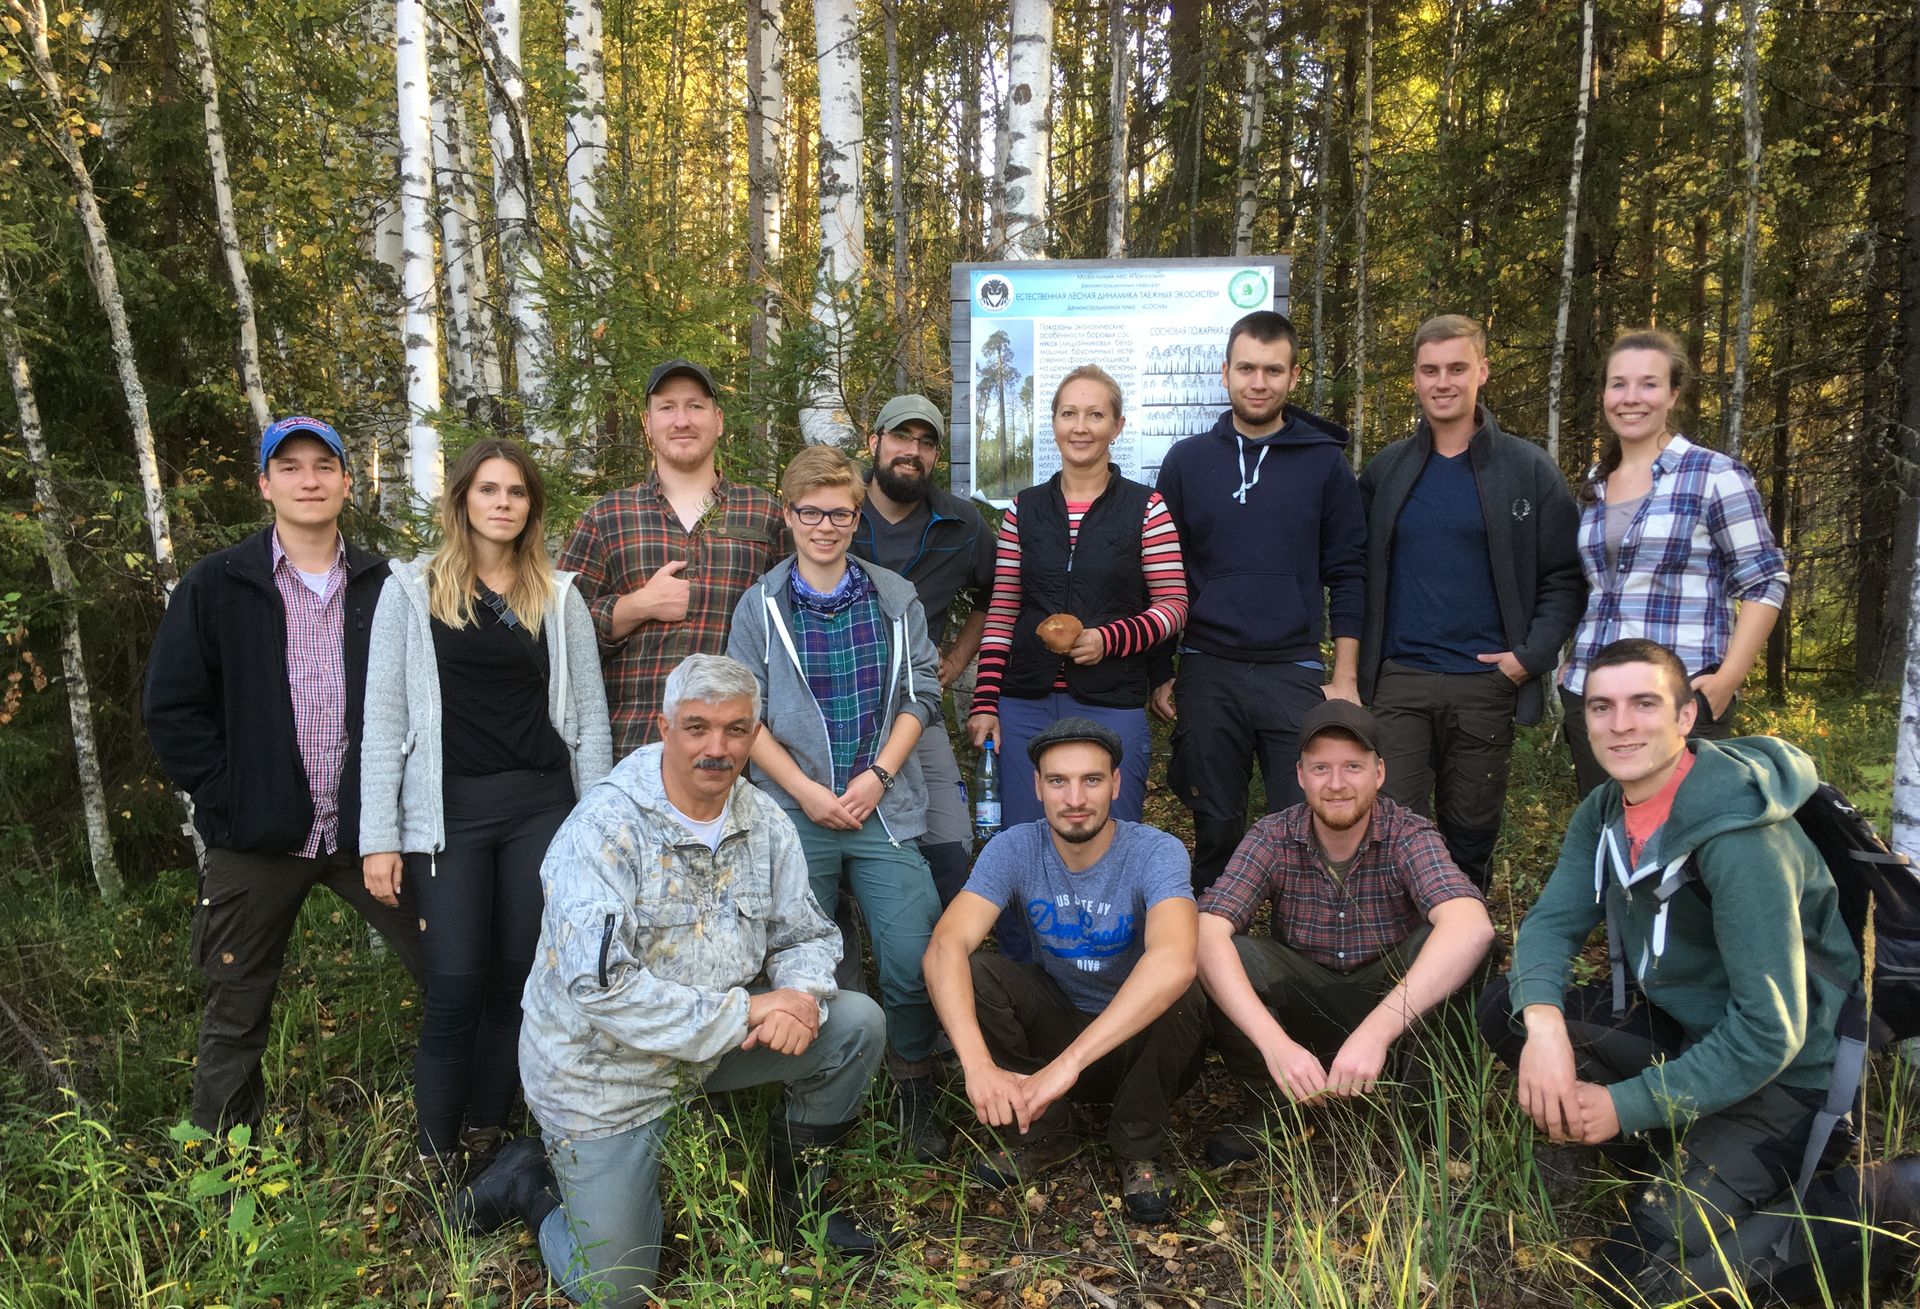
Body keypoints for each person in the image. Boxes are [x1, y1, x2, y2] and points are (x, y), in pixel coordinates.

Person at [455, 655, 885, 1307]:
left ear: (754, 731)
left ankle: (789, 1194)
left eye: (736, 729)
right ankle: (528, 1183)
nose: (718, 747)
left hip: (707, 1048)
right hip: (601, 1074)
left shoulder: (765, 822)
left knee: (855, 1024)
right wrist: (748, 1010)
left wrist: (798, 996)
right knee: (617, 1290)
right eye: (697, 726)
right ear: (664, 726)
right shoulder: (603, 827)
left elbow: (806, 934)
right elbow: (601, 988)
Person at [1479, 638, 1861, 1302]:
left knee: (1638, 1283)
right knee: (1505, 1009)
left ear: (1685, 717)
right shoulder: (1604, 810)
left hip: (1785, 1080)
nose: (1619, 723)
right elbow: (1551, 922)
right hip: (1687, 1032)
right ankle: (1668, 1152)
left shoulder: (1741, 840)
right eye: (1601, 706)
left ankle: (1879, 1203)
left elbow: (1772, 1033)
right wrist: (1543, 1027)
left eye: (1643, 703)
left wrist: (1624, 1105)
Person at [144, 415, 424, 1135]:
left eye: (322, 466)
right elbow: (173, 708)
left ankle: (466, 1135)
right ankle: (226, 1173)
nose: (309, 479)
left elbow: (425, 703)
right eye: (290, 467)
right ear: (265, 484)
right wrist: (230, 794)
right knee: (235, 1009)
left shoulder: (386, 585)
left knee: (451, 968)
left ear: (345, 481)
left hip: (371, 833)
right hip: (257, 836)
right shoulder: (218, 583)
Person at [358, 439, 614, 1172]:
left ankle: (486, 1136)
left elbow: (588, 720)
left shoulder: (557, 597)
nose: (503, 502)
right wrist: (380, 836)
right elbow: (382, 720)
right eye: (488, 489)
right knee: (453, 985)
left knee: (516, 981)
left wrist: (593, 830)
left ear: (531, 506)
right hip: (450, 817)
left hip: (542, 807)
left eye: (517, 491)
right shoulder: (410, 593)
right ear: (463, 499)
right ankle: (435, 1159)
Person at [725, 446, 947, 1161]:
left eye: (841, 512)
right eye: (811, 511)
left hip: (881, 803)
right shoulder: (760, 605)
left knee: (914, 954)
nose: (826, 525)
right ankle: (814, 1109)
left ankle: (916, 1088)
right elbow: (744, 718)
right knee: (799, 961)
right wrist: (808, 793)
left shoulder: (892, 597)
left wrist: (878, 775)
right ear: (788, 515)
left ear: (858, 516)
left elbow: (922, 693)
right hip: (795, 809)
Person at [923, 718, 1204, 1223]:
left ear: (1116, 784)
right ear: (1037, 787)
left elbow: (1174, 956)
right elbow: (945, 945)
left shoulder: (1154, 850)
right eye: (1058, 781)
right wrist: (977, 1066)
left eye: (1092, 780)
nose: (1075, 797)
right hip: (1057, 1025)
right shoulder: (1014, 847)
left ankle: (1138, 1144)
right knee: (981, 972)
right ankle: (1044, 1133)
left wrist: (1067, 1065)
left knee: (1185, 985)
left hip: (1136, 1045)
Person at [1195, 700, 1494, 1164]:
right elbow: (1206, 930)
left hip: (1388, 1004)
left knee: (1462, 948)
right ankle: (1278, 1108)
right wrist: (1276, 1046)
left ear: (1378, 773)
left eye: (1352, 766)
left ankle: (1422, 1113)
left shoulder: (1408, 833)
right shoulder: (1273, 834)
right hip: (1304, 1004)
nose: (1336, 784)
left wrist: (1375, 1034)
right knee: (1223, 951)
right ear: (1300, 775)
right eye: (1321, 768)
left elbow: (1471, 925)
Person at [1357, 315, 1584, 886]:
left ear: (1482, 371)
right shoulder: (1387, 471)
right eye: (1430, 370)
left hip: (1486, 682)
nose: (1443, 382)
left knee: (1469, 831)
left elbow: (1565, 576)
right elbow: (1352, 571)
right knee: (1392, 828)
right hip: (1400, 680)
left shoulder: (1527, 469)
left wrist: (1527, 659)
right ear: (1414, 378)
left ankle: (1466, 962)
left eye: (1457, 368)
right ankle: (1401, 960)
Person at [1155, 311, 1366, 891]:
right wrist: (1161, 672)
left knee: (1300, 823)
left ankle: (1298, 961)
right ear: (1225, 373)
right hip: (1207, 667)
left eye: (1273, 370)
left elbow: (1349, 572)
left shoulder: (1324, 463)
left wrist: (1343, 677)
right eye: (1246, 368)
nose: (1258, 382)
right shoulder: (1187, 461)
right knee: (1216, 825)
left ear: (1293, 377)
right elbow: (1160, 575)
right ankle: (1215, 950)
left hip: (1291, 669)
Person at [1559, 329, 1788, 797]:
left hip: (1675, 701)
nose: (1631, 398)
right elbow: (1597, 587)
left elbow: (1765, 582)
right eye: (1618, 384)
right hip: (1594, 696)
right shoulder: (1595, 483)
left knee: (1679, 847)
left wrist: (1726, 680)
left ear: (1673, 394)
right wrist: (1571, 669)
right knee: (1609, 837)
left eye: (1648, 384)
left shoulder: (1714, 475)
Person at [967, 364, 1188, 837]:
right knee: (1022, 843)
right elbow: (1003, 612)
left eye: (1095, 414)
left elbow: (1173, 606)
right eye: (1069, 413)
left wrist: (1111, 640)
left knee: (1114, 838)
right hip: (1024, 701)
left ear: (1117, 426)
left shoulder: (1148, 508)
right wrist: (985, 701)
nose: (1081, 427)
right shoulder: (1021, 510)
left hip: (1111, 700)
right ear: (1054, 424)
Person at [557, 359, 785, 758]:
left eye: (695, 406)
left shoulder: (764, 514)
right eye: (667, 407)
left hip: (737, 753)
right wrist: (637, 606)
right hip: (633, 749)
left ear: (718, 420)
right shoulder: (607, 517)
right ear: (647, 423)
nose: (682, 420)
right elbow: (555, 628)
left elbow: (802, 621)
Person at [849, 392, 997, 905]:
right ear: (875, 442)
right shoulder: (836, 511)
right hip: (835, 705)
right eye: (901, 437)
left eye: (926, 442)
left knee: (951, 847)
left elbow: (994, 595)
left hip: (917, 706)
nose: (912, 450)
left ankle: (937, 969)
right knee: (832, 841)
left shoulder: (961, 524)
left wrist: (956, 660)